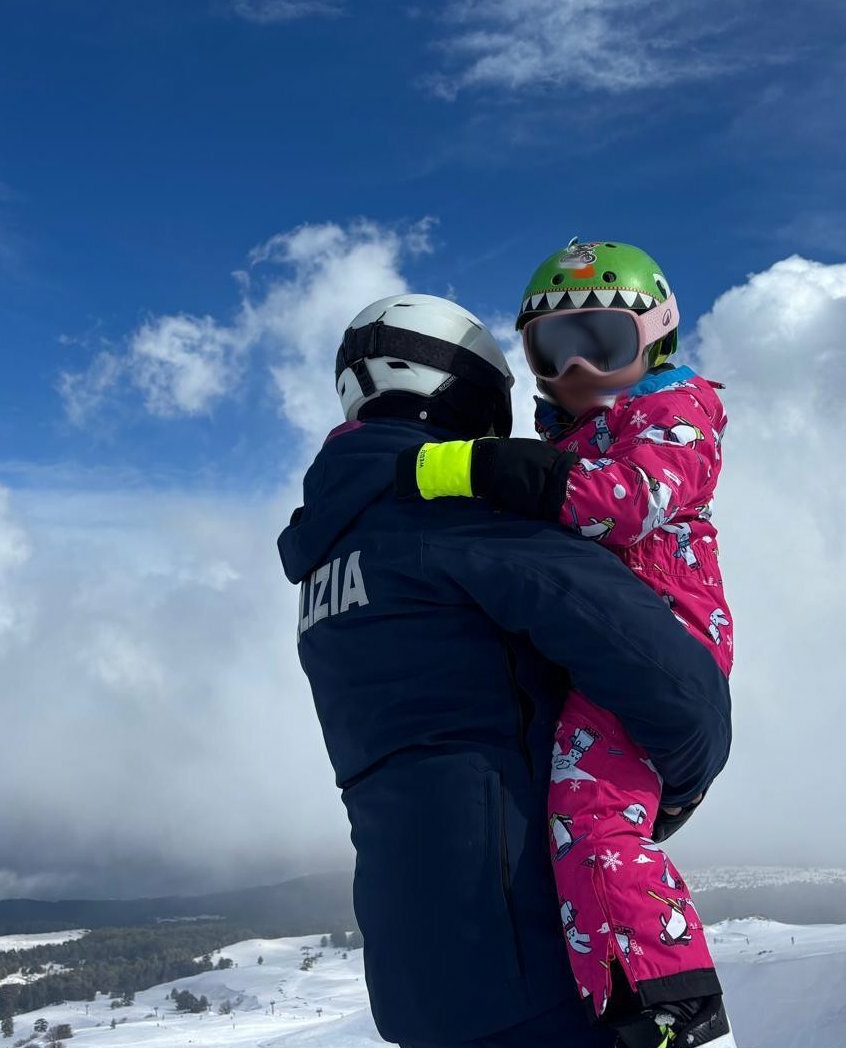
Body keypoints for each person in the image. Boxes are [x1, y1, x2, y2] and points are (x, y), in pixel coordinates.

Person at [277, 293, 733, 1048]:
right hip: (537, 959)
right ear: (470, 393)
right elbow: (677, 687)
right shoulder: (459, 519)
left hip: (416, 974)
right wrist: (670, 786)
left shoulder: (325, 558)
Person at [396, 242, 735, 1047]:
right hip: (590, 645)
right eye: (554, 348)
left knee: (592, 822)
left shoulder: (674, 414)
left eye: (602, 342)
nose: (578, 367)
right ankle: (607, 1001)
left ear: (655, 340)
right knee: (562, 829)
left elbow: (624, 503)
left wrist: (472, 470)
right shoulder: (573, 437)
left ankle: (675, 1007)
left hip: (654, 637)